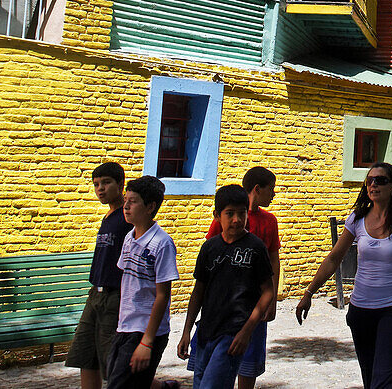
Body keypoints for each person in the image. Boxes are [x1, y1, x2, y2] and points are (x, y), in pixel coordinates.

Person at [296, 163, 392, 389]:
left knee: (384, 381)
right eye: (369, 180)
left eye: (380, 180)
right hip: (360, 311)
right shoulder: (356, 219)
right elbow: (334, 258)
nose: (373, 185)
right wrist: (309, 292)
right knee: (370, 379)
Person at [178, 185, 275, 389]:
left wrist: (246, 331)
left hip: (233, 334)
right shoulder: (210, 247)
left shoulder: (255, 247)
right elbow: (199, 291)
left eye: (241, 214)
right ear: (217, 215)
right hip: (207, 331)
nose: (236, 220)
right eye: (229, 214)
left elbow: (267, 291)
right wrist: (187, 330)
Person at [203, 167, 281, 388]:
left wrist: (272, 297)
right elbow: (211, 253)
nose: (273, 194)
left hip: (255, 301)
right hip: (226, 303)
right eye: (271, 189)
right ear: (257, 189)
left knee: (249, 362)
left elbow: (274, 259)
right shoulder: (226, 218)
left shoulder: (269, 221)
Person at [67, 163, 135, 389]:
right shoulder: (108, 216)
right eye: (96, 184)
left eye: (106, 183)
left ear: (120, 184)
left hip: (115, 296)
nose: (100, 189)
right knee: (86, 355)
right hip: (95, 294)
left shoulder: (127, 217)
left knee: (113, 362)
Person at [106, 176, 178, 389]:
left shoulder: (162, 243)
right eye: (126, 200)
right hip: (125, 326)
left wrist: (147, 342)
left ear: (150, 207)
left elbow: (163, 295)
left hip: (146, 330)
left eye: (133, 201)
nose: (126, 206)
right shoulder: (129, 237)